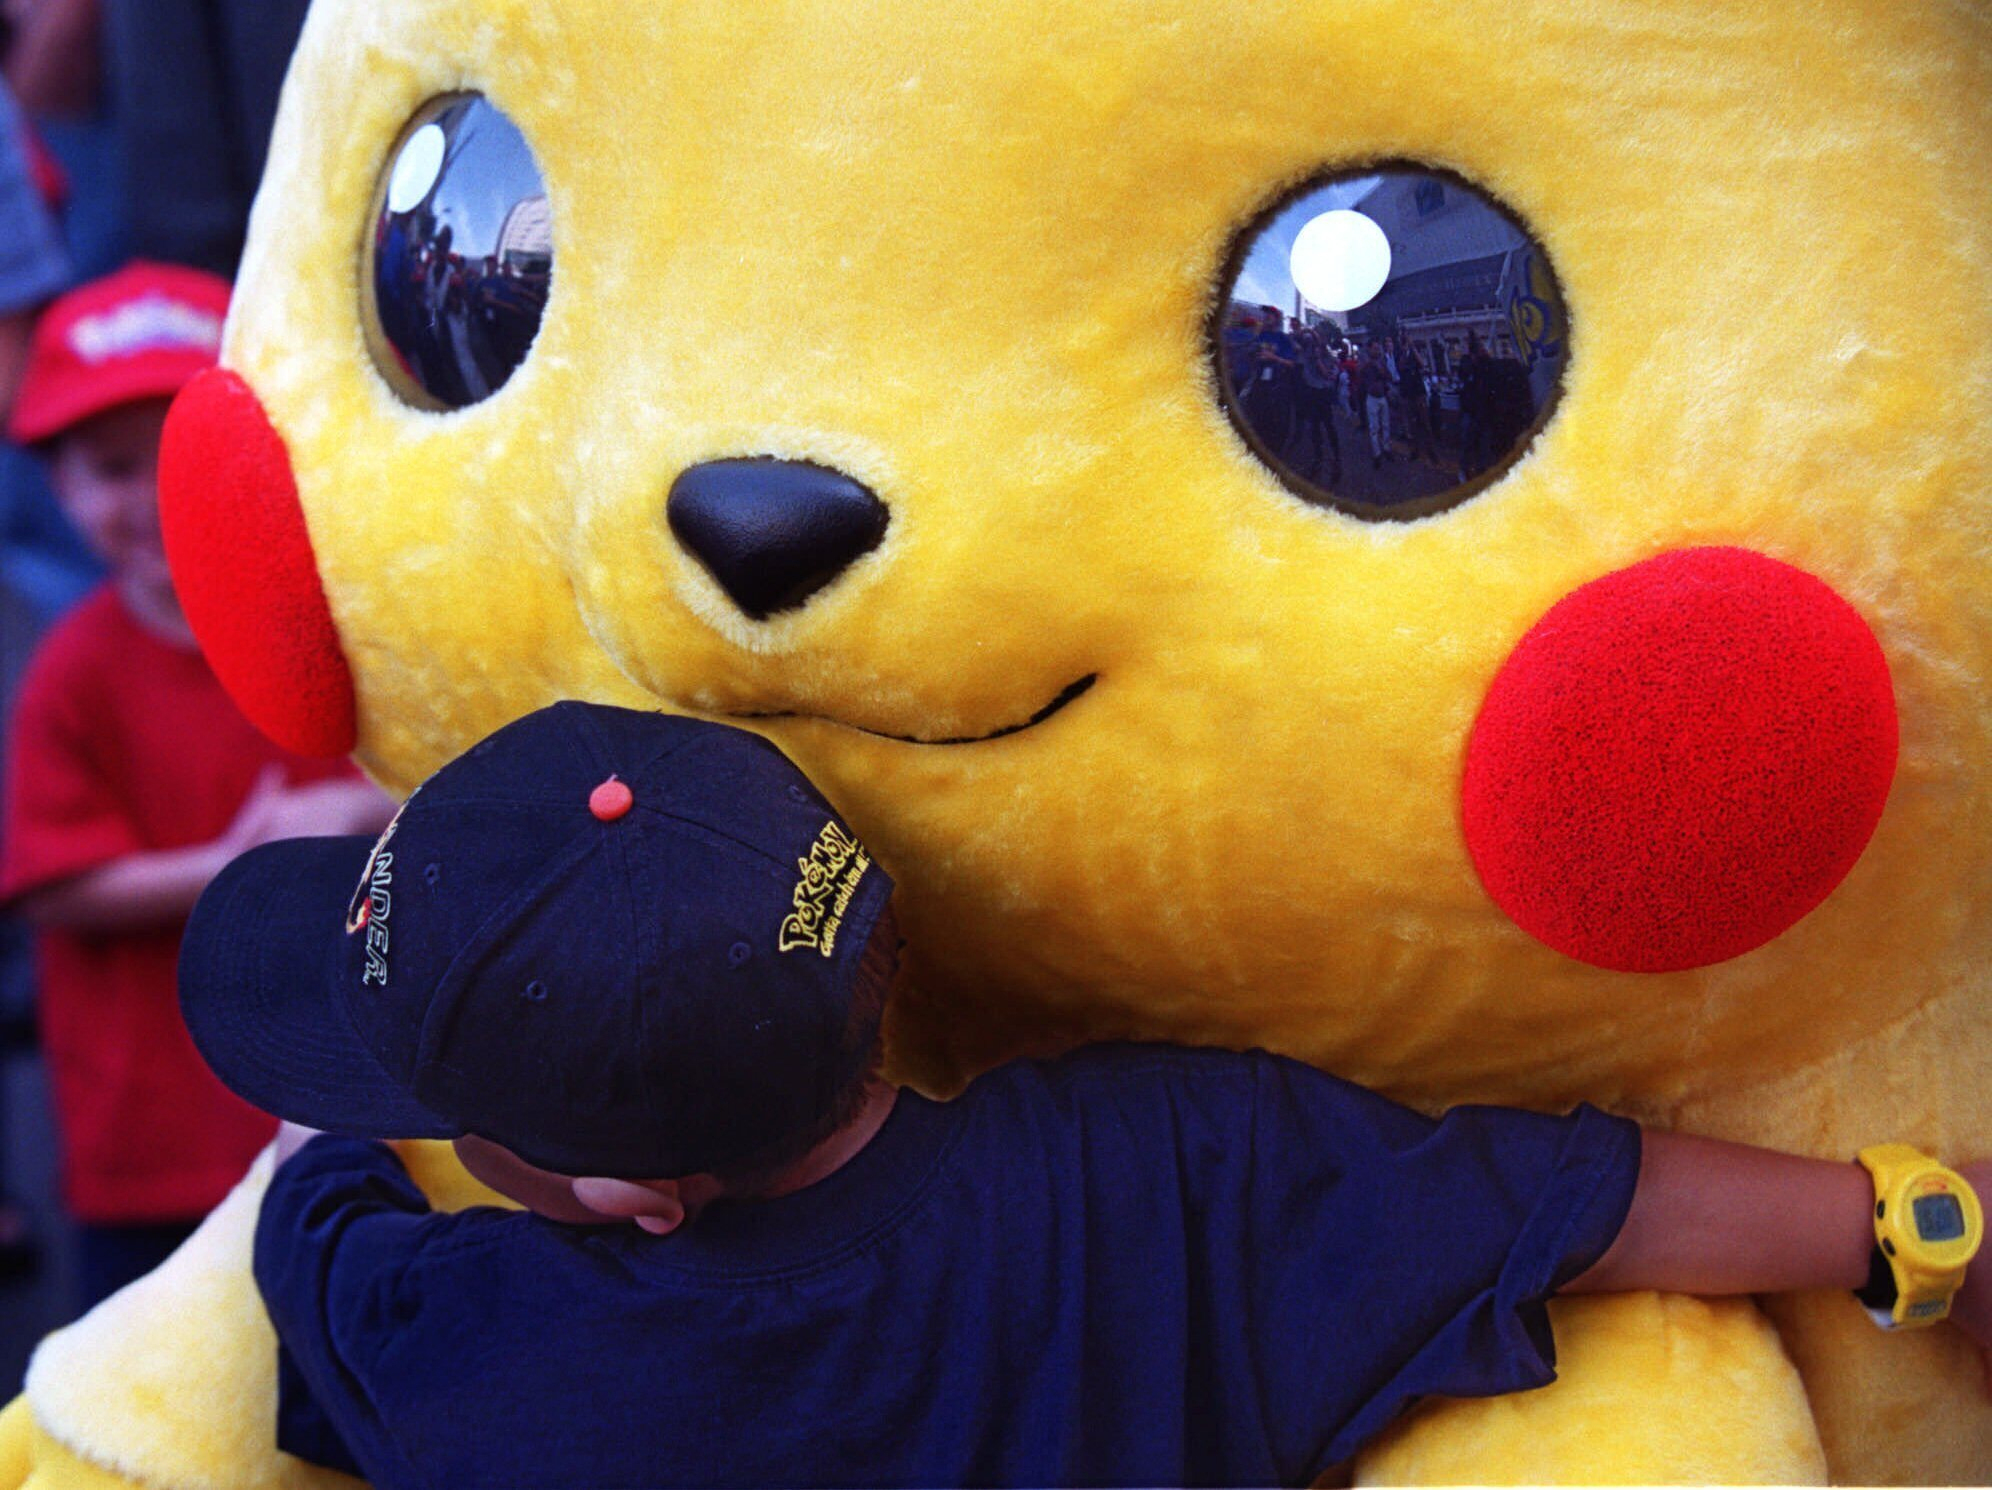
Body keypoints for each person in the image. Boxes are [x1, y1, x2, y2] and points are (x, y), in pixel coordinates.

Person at [180, 700, 1991, 1489]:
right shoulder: (1168, 1170)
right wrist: (1908, 1223)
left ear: (627, 1197)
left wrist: (331, 1150)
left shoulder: (478, 1345)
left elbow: (314, 1230)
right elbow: (1569, 1198)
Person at [0, 263, 394, 1309]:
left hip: (336, 1108)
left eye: (176, 452)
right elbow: (52, 884)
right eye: (111, 467)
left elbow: (433, 795)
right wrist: (233, 863)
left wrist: (366, 812)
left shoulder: (333, 630)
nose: (149, 497)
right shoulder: (75, 671)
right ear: (58, 488)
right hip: (153, 1137)